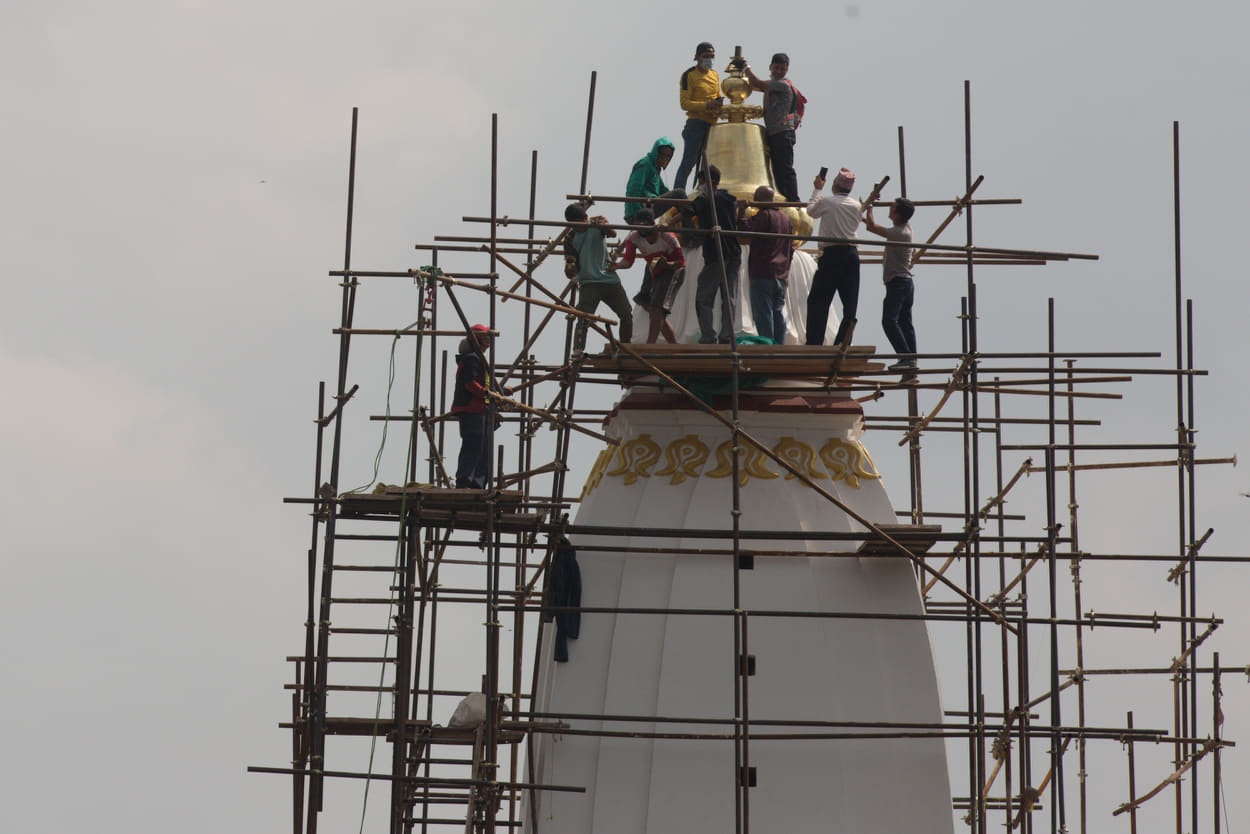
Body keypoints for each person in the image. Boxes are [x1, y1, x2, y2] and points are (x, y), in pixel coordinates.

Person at [564, 203, 634, 355]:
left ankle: (626, 348)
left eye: (580, 224)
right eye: (573, 225)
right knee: (583, 318)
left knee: (627, 314)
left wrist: (602, 225)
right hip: (589, 283)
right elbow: (570, 266)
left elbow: (613, 234)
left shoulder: (596, 225)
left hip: (610, 280)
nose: (578, 228)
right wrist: (570, 267)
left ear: (586, 218)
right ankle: (578, 351)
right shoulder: (570, 238)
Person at [682, 164, 741, 344]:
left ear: (702, 181)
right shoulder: (729, 198)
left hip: (716, 254)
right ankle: (727, 335)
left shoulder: (704, 199)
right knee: (728, 297)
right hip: (733, 253)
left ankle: (708, 336)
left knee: (704, 298)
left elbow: (688, 211)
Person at [610, 208, 686, 344]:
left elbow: (680, 262)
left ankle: (650, 345)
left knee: (657, 308)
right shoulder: (634, 238)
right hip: (656, 270)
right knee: (654, 311)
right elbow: (628, 261)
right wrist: (617, 265)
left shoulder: (668, 238)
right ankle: (674, 347)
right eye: (639, 227)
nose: (644, 232)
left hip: (673, 270)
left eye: (646, 227)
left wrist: (667, 264)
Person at [805, 167, 861, 347]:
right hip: (851, 254)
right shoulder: (857, 205)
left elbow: (811, 211)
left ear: (835, 186)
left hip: (832, 254)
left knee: (818, 301)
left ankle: (814, 343)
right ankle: (842, 343)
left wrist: (818, 189)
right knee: (850, 305)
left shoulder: (828, 202)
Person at [863, 197, 918, 374]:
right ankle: (911, 361)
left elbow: (872, 227)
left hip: (898, 283)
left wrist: (869, 206)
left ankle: (905, 358)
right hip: (905, 283)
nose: (890, 206)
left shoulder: (898, 233)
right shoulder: (905, 230)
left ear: (898, 213)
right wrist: (864, 217)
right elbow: (873, 226)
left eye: (893, 206)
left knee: (889, 321)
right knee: (905, 322)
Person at [738, 53, 801, 202]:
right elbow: (753, 85)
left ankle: (793, 200)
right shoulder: (772, 85)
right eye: (776, 68)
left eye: (782, 69)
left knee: (785, 169)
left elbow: (757, 83)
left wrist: (746, 68)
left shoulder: (782, 85)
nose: (778, 71)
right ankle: (784, 198)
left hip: (783, 133)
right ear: (770, 67)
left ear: (787, 70)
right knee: (776, 171)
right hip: (775, 133)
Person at [737, 185, 793, 343]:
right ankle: (778, 345)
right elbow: (791, 248)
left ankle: (767, 347)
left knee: (763, 314)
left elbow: (744, 231)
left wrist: (741, 211)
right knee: (777, 313)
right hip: (781, 274)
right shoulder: (785, 218)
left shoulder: (764, 216)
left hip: (763, 272)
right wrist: (787, 270)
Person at [674, 42, 723, 192]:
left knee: (704, 166)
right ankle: (678, 193)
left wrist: (718, 105)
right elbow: (685, 103)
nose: (709, 59)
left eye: (712, 56)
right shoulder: (689, 75)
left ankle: (699, 193)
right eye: (705, 56)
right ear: (697, 57)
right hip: (696, 124)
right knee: (689, 162)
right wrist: (706, 105)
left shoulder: (714, 75)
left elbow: (718, 97)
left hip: (712, 125)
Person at [451, 324, 496, 489]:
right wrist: (487, 394)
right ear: (478, 339)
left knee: (484, 449)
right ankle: (465, 482)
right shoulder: (472, 358)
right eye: (486, 337)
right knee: (473, 446)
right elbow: (470, 384)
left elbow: (485, 384)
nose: (489, 341)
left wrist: (500, 393)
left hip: (481, 409)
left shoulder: (480, 359)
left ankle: (477, 483)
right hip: (472, 409)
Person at [625, 137, 676, 224]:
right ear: (656, 152)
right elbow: (634, 189)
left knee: (677, 198)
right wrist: (638, 214)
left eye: (668, 156)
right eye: (662, 154)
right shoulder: (645, 164)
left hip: (649, 209)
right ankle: (691, 231)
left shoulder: (655, 170)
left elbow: (663, 191)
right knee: (679, 194)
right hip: (638, 212)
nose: (664, 158)